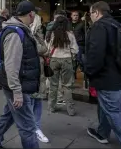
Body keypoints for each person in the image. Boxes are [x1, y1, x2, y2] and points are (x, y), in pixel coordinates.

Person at [0, 1, 40, 149]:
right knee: (28, 127)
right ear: (31, 14)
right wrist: (17, 91)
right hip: (17, 85)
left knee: (10, 113)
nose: (35, 16)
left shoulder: (21, 30)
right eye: (35, 13)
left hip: (18, 83)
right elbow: (11, 66)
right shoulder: (15, 34)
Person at [85, 1, 121, 148]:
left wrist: (89, 72)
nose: (90, 17)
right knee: (105, 106)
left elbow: (95, 54)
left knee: (113, 111)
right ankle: (102, 133)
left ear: (96, 12)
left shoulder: (99, 26)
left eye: (90, 14)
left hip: (107, 78)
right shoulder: (117, 25)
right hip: (120, 75)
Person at [46, 16, 78, 116]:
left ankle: (51, 107)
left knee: (53, 85)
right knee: (67, 86)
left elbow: (47, 48)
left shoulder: (51, 34)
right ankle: (70, 110)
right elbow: (75, 49)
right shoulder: (70, 34)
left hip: (54, 59)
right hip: (66, 59)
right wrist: (71, 56)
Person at [30, 13, 49, 143]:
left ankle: (35, 127)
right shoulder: (31, 36)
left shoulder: (36, 35)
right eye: (39, 23)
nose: (41, 26)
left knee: (37, 102)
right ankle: (33, 128)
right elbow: (43, 49)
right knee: (32, 102)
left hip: (39, 74)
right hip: (33, 73)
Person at [45, 10, 67, 105]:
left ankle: (48, 93)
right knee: (58, 79)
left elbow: (46, 43)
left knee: (51, 77)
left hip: (50, 55)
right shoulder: (63, 30)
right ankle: (59, 98)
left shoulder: (49, 28)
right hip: (59, 56)